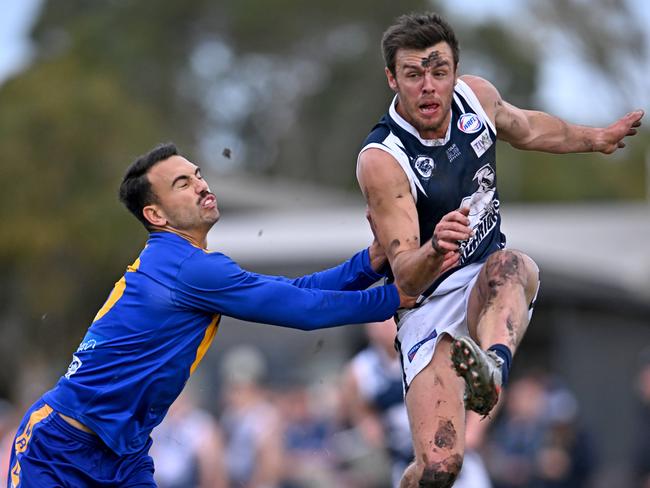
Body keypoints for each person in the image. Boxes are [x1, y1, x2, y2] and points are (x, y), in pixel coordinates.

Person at [7, 142, 412, 488]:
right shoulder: (187, 266)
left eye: (197, 174)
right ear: (156, 216)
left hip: (122, 455)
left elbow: (294, 294)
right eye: (182, 184)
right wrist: (398, 296)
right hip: (60, 449)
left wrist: (370, 264)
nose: (201, 185)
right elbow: (303, 310)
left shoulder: (190, 264)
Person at [356, 12, 644, 487]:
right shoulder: (384, 159)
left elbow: (528, 127)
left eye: (439, 71)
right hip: (427, 304)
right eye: (413, 74)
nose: (429, 87)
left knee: (514, 264)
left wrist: (596, 139)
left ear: (455, 70)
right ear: (392, 78)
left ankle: (491, 366)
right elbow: (405, 275)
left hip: (484, 278)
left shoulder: (477, 97)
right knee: (440, 469)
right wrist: (435, 248)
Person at [339, 319, 492, 488]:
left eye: (388, 318)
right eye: (377, 320)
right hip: (406, 461)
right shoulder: (360, 370)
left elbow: (490, 386)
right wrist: (369, 426)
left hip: (455, 459)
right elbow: (360, 410)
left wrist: (472, 431)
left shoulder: (434, 349)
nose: (383, 325)